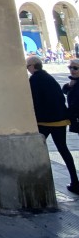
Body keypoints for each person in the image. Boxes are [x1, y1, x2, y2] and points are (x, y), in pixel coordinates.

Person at [25, 55, 79, 195]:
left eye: (28, 66)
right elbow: (60, 95)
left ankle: (36, 182)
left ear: (33, 66)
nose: (28, 69)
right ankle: (75, 181)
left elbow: (35, 101)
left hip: (45, 121)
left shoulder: (35, 80)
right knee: (63, 149)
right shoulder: (48, 77)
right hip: (60, 119)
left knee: (35, 149)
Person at [62, 59, 79, 137]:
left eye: (75, 68)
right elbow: (65, 91)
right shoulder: (74, 81)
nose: (72, 70)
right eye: (70, 67)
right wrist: (69, 85)